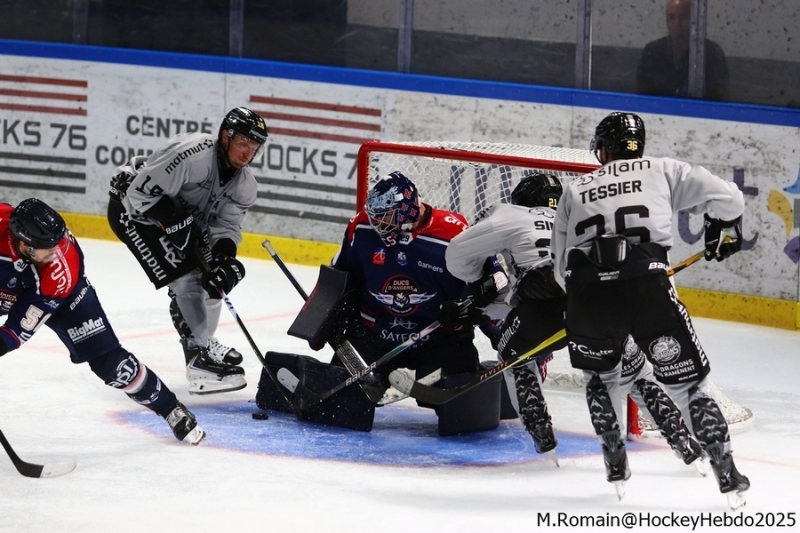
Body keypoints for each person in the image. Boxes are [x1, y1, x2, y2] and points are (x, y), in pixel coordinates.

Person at [552, 111, 749, 507]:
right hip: (647, 286)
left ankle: (614, 459)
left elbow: (560, 267)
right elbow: (731, 198)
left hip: (587, 292)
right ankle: (725, 470)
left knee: (600, 378)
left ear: (603, 147)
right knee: (689, 387)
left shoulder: (576, 189)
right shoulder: (662, 169)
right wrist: (721, 226)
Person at [445, 172, 704, 470]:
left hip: (541, 308)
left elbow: (457, 253)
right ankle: (686, 445)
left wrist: (479, 282)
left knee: (513, 356)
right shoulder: (588, 217)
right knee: (634, 374)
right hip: (598, 302)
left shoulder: (510, 213)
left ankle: (543, 439)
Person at [0, 198, 204, 445]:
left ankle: (170, 408)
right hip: (8, 283)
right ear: (25, 243)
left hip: (65, 297)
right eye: (47, 246)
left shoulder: (59, 271)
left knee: (112, 366)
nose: (56, 250)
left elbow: (14, 332)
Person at [107, 107, 268, 395]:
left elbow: (226, 228)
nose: (247, 153)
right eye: (243, 143)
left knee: (213, 280)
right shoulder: (192, 155)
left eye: (254, 147)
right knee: (185, 279)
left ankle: (204, 341)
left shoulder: (245, 186)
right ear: (225, 136)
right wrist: (177, 222)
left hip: (180, 218)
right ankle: (198, 363)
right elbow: (138, 194)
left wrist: (223, 260)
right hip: (133, 212)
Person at [328, 171, 480, 396]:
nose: (378, 223)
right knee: (343, 397)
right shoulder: (362, 228)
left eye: (386, 217)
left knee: (451, 402)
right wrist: (331, 320)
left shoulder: (454, 234)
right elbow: (340, 277)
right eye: (375, 216)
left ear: (408, 209)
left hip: (439, 337)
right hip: (376, 334)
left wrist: (468, 309)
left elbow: (489, 285)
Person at [636, 0, 729, 101]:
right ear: (666, 21)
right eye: (672, 17)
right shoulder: (652, 51)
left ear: (693, 19)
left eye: (684, 17)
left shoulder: (712, 53)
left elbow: (720, 97)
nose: (677, 23)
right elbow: (642, 96)